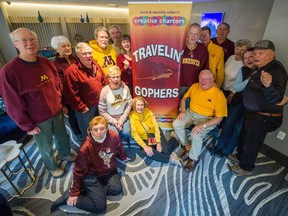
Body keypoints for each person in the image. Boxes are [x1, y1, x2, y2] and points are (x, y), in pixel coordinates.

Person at [0, 28, 75, 178]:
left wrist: (61, 104)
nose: (29, 43)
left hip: (57, 111)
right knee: (45, 145)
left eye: (32, 39)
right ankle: (52, 166)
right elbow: (12, 103)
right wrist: (27, 126)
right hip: (37, 119)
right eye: (24, 40)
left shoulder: (47, 63)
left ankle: (66, 153)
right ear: (15, 44)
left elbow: (57, 86)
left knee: (62, 136)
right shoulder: (9, 71)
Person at [229, 40, 287, 176]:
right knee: (245, 137)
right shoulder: (261, 67)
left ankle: (246, 167)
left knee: (252, 142)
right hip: (253, 113)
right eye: (254, 53)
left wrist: (268, 86)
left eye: (260, 53)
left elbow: (277, 98)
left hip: (264, 117)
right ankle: (240, 157)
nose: (256, 56)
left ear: (271, 54)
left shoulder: (276, 70)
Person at [50, 116, 129, 213]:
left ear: (107, 128)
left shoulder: (114, 135)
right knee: (99, 206)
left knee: (116, 190)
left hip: (109, 171)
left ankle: (89, 190)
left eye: (102, 129)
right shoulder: (86, 147)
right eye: (95, 130)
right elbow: (78, 170)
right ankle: (68, 197)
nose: (99, 132)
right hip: (92, 175)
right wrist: (74, 192)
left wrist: (123, 157)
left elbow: (119, 147)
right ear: (90, 130)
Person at [173, 70, 227, 172]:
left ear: (212, 80)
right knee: (176, 124)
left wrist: (202, 126)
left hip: (207, 119)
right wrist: (183, 111)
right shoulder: (194, 86)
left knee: (196, 134)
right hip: (190, 113)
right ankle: (187, 146)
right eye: (201, 78)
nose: (203, 81)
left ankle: (194, 158)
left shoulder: (219, 96)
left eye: (206, 79)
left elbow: (219, 118)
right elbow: (184, 99)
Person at [214, 49, 257, 157]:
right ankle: (220, 145)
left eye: (250, 57)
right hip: (239, 101)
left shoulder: (262, 72)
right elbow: (238, 87)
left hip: (251, 106)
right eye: (245, 58)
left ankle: (227, 150)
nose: (248, 60)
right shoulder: (243, 70)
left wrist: (247, 82)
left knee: (239, 129)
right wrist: (250, 79)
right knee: (228, 124)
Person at [63, 42, 108, 141]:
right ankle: (89, 149)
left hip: (100, 104)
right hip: (86, 108)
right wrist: (82, 107)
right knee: (88, 130)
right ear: (78, 55)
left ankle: (100, 145)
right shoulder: (71, 71)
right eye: (84, 53)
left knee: (100, 127)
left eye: (90, 53)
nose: (88, 56)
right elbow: (71, 94)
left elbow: (104, 80)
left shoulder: (96, 64)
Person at [129, 96, 183, 167]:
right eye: (138, 105)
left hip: (154, 133)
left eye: (142, 105)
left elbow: (156, 127)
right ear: (134, 105)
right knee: (146, 151)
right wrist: (144, 146)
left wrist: (158, 142)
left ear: (144, 105)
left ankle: (174, 139)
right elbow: (134, 134)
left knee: (165, 150)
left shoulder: (149, 112)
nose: (140, 107)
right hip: (145, 138)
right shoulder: (132, 115)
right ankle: (171, 158)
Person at [50, 35, 82, 140]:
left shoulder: (76, 59)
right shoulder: (55, 65)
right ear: (56, 49)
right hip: (69, 98)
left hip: (82, 94)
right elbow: (58, 86)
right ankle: (78, 135)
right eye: (63, 46)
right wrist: (62, 103)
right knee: (73, 117)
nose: (67, 48)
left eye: (68, 45)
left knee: (83, 116)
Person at [98, 66, 132, 140]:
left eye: (118, 77)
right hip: (110, 118)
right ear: (109, 78)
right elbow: (102, 111)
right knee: (114, 136)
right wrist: (114, 122)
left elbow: (129, 105)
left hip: (123, 117)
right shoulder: (104, 91)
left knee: (126, 133)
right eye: (113, 77)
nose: (115, 80)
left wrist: (122, 120)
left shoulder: (125, 88)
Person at [180, 23, 209, 97]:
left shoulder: (203, 49)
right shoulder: (180, 45)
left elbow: (205, 68)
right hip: (179, 85)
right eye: (191, 33)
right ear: (187, 34)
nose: (193, 36)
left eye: (196, 34)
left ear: (199, 35)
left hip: (195, 86)